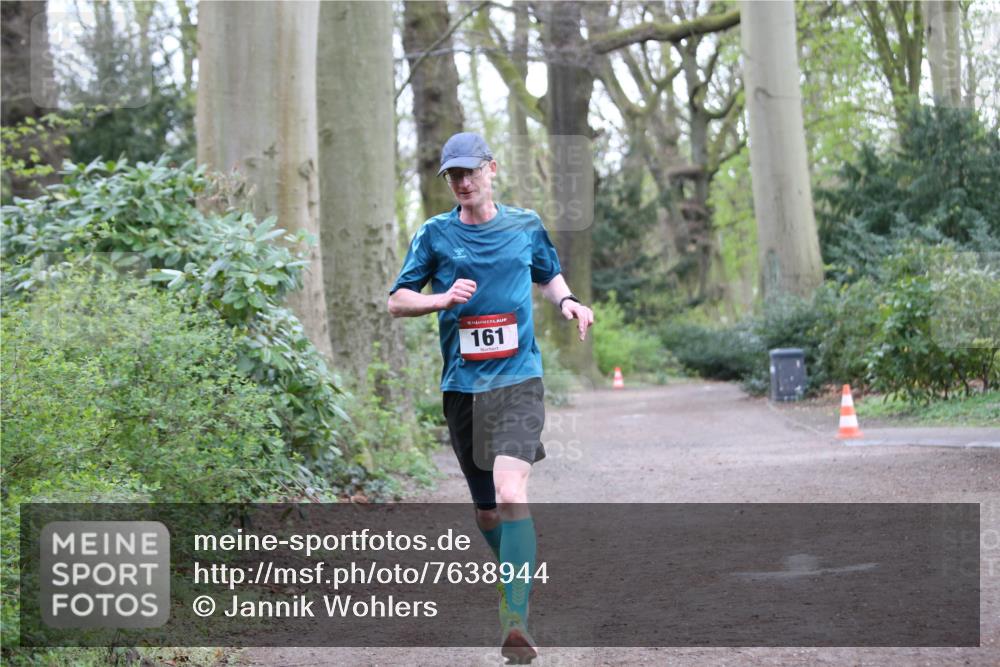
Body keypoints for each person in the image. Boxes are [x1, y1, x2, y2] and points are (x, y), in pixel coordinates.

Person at [387, 132, 594, 663]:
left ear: (491, 169)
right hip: (463, 388)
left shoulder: (524, 225)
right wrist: (440, 299)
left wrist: (568, 301)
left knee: (510, 490)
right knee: (485, 511)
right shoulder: (434, 235)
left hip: (519, 379)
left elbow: (548, 275)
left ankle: (515, 614)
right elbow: (396, 300)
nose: (462, 182)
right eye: (452, 175)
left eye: (470, 171)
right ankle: (512, 581)